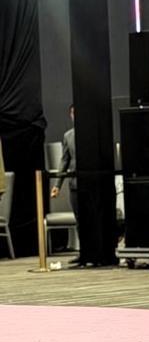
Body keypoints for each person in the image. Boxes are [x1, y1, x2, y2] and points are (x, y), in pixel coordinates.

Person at [50, 104, 81, 264]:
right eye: (73, 113)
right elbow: (64, 161)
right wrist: (57, 185)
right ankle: (84, 251)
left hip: (92, 184)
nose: (75, 116)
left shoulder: (93, 133)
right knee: (79, 220)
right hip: (74, 184)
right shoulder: (68, 136)